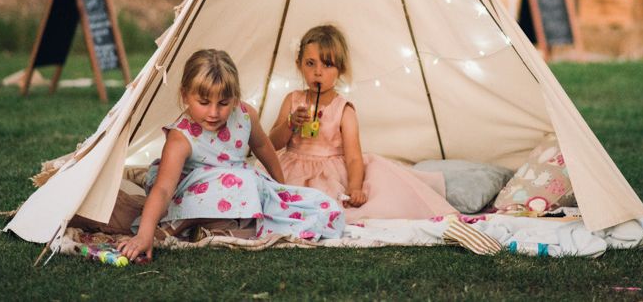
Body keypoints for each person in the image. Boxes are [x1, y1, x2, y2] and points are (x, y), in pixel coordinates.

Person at [119, 49, 344, 261]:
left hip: (238, 190)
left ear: (235, 98)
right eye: (204, 103)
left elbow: (264, 147)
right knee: (243, 182)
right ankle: (174, 227)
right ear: (185, 95)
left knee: (324, 207)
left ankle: (216, 229)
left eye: (224, 103)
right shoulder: (181, 137)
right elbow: (164, 189)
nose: (214, 113)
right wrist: (144, 234)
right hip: (188, 195)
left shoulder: (244, 115)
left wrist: (281, 188)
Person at [269, 24, 457, 223]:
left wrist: (355, 187)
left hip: (328, 176)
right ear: (299, 65)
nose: (318, 72)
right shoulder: (292, 100)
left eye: (327, 65)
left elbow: (353, 158)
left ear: (340, 69)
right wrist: (290, 124)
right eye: (310, 63)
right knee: (278, 201)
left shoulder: (344, 109)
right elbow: (272, 143)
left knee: (326, 208)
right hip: (293, 170)